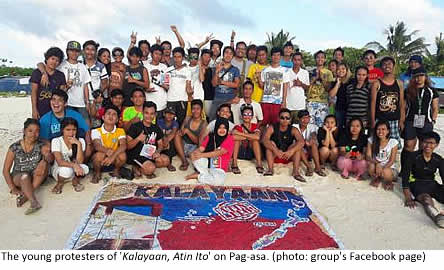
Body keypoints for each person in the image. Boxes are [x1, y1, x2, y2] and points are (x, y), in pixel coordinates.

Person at [2, 119, 49, 215]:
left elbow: (50, 157)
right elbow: (5, 170)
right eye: (30, 131)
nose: (33, 134)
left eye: (37, 131)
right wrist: (13, 188)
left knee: (44, 167)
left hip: (36, 176)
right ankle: (33, 201)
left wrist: (44, 160)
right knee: (25, 176)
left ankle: (26, 196)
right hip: (19, 176)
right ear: (24, 131)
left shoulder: (41, 145)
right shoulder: (14, 147)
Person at [401, 67, 439, 178]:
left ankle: (419, 170)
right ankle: (405, 169)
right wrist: (402, 122)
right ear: (413, 78)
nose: (419, 78)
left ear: (425, 77)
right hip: (410, 121)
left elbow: (435, 107)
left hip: (426, 122)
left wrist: (433, 120)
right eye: (416, 76)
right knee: (408, 146)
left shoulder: (432, 91)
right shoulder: (408, 90)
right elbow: (403, 107)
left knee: (423, 146)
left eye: (421, 76)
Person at [401, 131, 444, 228]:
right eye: (425, 142)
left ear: (436, 145)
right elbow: (405, 176)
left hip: (432, 184)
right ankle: (437, 217)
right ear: (421, 143)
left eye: (431, 143)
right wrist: (408, 196)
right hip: (417, 184)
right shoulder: (413, 156)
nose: (428, 145)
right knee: (426, 199)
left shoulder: (438, 159)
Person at [126, 101, 170, 178]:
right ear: (142, 113)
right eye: (146, 113)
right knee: (150, 169)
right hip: (137, 155)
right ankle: (138, 166)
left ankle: (142, 167)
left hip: (150, 154)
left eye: (152, 113)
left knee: (166, 161)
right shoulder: (135, 126)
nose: (149, 116)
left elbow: (160, 144)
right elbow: (128, 146)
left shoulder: (156, 127)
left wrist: (158, 152)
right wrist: (138, 139)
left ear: (155, 114)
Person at [185, 117, 234, 185]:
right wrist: (195, 153)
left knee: (219, 181)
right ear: (216, 128)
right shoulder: (210, 136)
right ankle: (205, 174)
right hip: (207, 165)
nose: (222, 130)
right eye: (220, 127)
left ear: (227, 129)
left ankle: (199, 176)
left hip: (219, 169)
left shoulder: (229, 139)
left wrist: (201, 155)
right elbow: (202, 148)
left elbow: (219, 152)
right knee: (194, 155)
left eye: (224, 128)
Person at [53, 41, 91, 123]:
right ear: (67, 51)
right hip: (66, 103)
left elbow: (85, 85)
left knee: (86, 125)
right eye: (71, 50)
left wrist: (87, 101)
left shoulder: (83, 67)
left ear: (80, 53)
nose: (74, 53)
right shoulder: (61, 66)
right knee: (68, 126)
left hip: (80, 103)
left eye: (77, 51)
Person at [371, 56, 405, 148]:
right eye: (384, 64)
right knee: (378, 145)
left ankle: (392, 162)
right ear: (381, 67)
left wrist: (401, 120)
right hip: (380, 119)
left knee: (394, 146)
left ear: (393, 66)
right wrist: (373, 121)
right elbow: (373, 104)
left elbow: (401, 103)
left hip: (394, 120)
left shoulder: (399, 83)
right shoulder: (376, 83)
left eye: (389, 64)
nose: (387, 66)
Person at [262, 108, 305, 181]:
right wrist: (275, 150)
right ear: (278, 119)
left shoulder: (293, 129)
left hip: (287, 155)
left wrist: (291, 151)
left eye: (287, 118)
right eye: (282, 118)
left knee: (297, 146)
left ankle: (296, 172)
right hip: (275, 155)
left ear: (290, 120)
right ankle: (270, 170)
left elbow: (301, 142)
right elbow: (265, 140)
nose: (285, 120)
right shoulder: (272, 127)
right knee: (270, 143)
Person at [50, 117, 89, 194]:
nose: (71, 133)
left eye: (74, 130)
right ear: (62, 130)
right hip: (59, 170)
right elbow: (60, 162)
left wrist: (78, 144)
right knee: (66, 171)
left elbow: (80, 161)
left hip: (75, 170)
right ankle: (60, 183)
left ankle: (75, 180)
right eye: (68, 130)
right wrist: (75, 166)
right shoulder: (56, 141)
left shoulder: (80, 141)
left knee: (86, 168)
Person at [91, 105, 127, 183]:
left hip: (114, 159)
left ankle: (116, 171)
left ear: (117, 119)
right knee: (99, 155)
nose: (111, 116)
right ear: (103, 117)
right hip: (102, 159)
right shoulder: (96, 130)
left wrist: (112, 157)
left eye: (114, 114)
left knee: (123, 155)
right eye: (109, 113)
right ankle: (97, 173)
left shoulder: (120, 131)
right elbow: (97, 145)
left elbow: (123, 145)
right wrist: (108, 152)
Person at [30, 47, 66, 119]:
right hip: (40, 109)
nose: (54, 62)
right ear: (47, 59)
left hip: (54, 110)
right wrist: (34, 109)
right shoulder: (37, 73)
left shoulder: (61, 75)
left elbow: (61, 94)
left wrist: (67, 87)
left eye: (57, 60)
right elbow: (33, 92)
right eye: (52, 59)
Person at [175, 99, 207, 171]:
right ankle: (184, 161)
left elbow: (199, 142)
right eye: (193, 109)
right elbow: (181, 132)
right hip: (184, 146)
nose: (195, 111)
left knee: (200, 147)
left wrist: (188, 132)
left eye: (198, 109)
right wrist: (182, 131)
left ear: (201, 110)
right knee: (177, 134)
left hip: (195, 148)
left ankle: (196, 161)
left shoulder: (204, 123)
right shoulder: (187, 118)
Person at [259, 47, 288, 126]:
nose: (276, 57)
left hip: (278, 102)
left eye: (278, 55)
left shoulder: (285, 70)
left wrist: (284, 101)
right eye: (274, 55)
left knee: (277, 124)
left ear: (281, 57)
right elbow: (262, 86)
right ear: (271, 56)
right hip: (266, 101)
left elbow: (285, 86)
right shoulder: (265, 70)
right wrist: (258, 77)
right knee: (263, 123)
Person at [231, 104, 264, 174]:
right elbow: (232, 137)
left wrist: (240, 134)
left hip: (251, 153)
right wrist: (250, 136)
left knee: (255, 141)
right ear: (242, 116)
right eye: (245, 114)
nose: (247, 116)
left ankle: (259, 164)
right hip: (240, 152)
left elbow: (257, 137)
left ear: (252, 116)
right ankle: (234, 163)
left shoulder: (255, 126)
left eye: (249, 114)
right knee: (237, 140)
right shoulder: (238, 127)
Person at [210, 46, 240, 120]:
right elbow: (214, 84)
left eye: (231, 53)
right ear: (223, 54)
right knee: (213, 121)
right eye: (226, 52)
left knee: (228, 123)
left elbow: (236, 84)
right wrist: (217, 71)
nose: (228, 55)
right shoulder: (216, 67)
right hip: (217, 98)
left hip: (230, 99)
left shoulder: (235, 69)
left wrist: (222, 82)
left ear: (233, 56)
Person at [366, 120, 398, 190]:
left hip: (389, 167)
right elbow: (368, 156)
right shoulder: (371, 140)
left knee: (386, 172)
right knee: (371, 166)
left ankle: (388, 181)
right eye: (378, 129)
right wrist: (377, 163)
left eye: (383, 129)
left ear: (388, 131)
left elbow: (392, 161)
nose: (380, 132)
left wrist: (382, 169)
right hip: (377, 165)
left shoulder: (393, 142)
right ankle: (378, 178)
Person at [293, 110, 326, 177]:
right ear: (299, 119)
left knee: (313, 144)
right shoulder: (294, 126)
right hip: (298, 152)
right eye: (303, 118)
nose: (305, 120)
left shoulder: (312, 126)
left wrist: (312, 139)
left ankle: (317, 167)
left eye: (307, 118)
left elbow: (313, 134)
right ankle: (309, 167)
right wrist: (304, 142)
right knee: (299, 146)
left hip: (309, 151)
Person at [307, 50, 335, 127]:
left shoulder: (328, 72)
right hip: (311, 101)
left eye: (322, 57)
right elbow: (307, 87)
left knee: (322, 126)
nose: (320, 59)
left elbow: (328, 89)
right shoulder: (310, 71)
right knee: (310, 126)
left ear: (325, 59)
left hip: (323, 102)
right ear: (315, 59)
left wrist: (322, 79)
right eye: (318, 57)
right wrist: (315, 78)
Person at [165, 47, 192, 125]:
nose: (177, 59)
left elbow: (188, 86)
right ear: (173, 57)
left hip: (182, 100)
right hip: (170, 100)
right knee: (169, 123)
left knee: (181, 123)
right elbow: (166, 85)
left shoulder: (187, 71)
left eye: (179, 57)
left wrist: (190, 93)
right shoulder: (168, 70)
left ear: (183, 58)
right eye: (175, 57)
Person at [284, 52, 310, 124]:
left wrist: (300, 84)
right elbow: (284, 88)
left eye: (299, 60)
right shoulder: (287, 72)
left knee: (298, 128)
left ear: (301, 61)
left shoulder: (305, 72)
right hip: (288, 105)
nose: (297, 62)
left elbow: (308, 87)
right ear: (291, 60)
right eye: (295, 60)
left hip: (300, 106)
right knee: (287, 127)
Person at [144, 44, 168, 115]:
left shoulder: (164, 67)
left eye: (160, 54)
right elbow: (141, 85)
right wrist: (145, 89)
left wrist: (159, 83)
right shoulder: (145, 67)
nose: (158, 56)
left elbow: (167, 86)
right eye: (156, 53)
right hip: (149, 103)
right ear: (151, 54)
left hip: (162, 103)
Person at [329, 62, 351, 130]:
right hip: (339, 109)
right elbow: (332, 95)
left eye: (343, 69)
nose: (341, 71)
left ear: (347, 70)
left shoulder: (352, 81)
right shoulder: (334, 82)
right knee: (338, 128)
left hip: (350, 109)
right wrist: (338, 83)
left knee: (349, 128)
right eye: (338, 69)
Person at [157, 106, 179, 172]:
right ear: (164, 114)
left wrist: (166, 141)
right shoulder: (160, 121)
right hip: (162, 141)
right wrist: (164, 140)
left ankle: (169, 163)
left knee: (172, 141)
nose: (169, 115)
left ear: (174, 115)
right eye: (167, 113)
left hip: (169, 144)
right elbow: (160, 132)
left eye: (172, 114)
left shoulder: (175, 123)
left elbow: (173, 133)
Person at [201, 49, 214, 117]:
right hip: (198, 97)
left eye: (209, 57)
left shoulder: (211, 70)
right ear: (201, 57)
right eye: (205, 56)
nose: (207, 58)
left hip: (209, 98)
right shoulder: (196, 68)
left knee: (208, 118)